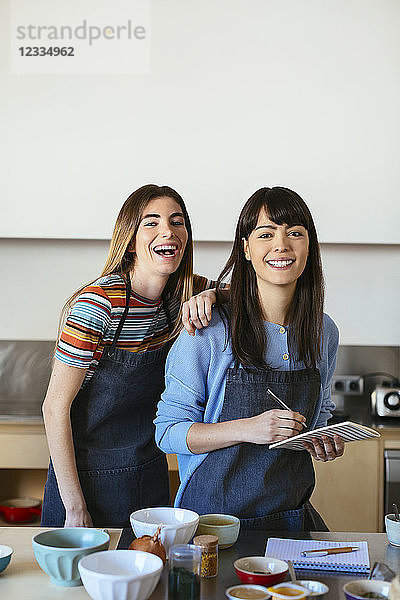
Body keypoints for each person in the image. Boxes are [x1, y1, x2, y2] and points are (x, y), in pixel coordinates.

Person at [155, 186, 344, 531]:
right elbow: (168, 432)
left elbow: (321, 414)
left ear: (309, 247)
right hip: (214, 526)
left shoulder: (323, 332)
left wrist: (321, 439)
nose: (281, 245)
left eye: (295, 233)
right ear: (246, 248)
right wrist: (250, 428)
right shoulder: (208, 329)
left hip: (291, 519)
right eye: (266, 233)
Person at [41, 184, 224, 528]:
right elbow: (54, 407)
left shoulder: (182, 293)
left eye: (177, 221)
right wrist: (75, 508)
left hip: (148, 475)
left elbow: (250, 294)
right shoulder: (99, 304)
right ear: (130, 238)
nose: (167, 231)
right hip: (85, 483)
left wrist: (214, 294)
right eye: (151, 223)